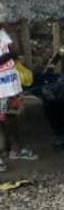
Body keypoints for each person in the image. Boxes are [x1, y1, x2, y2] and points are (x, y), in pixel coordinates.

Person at [0, 21, 34, 172]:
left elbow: (16, 51)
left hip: (10, 84)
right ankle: (10, 150)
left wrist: (11, 30)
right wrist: (9, 55)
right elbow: (11, 54)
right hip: (2, 87)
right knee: (4, 118)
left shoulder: (2, 32)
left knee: (11, 117)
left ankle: (15, 149)